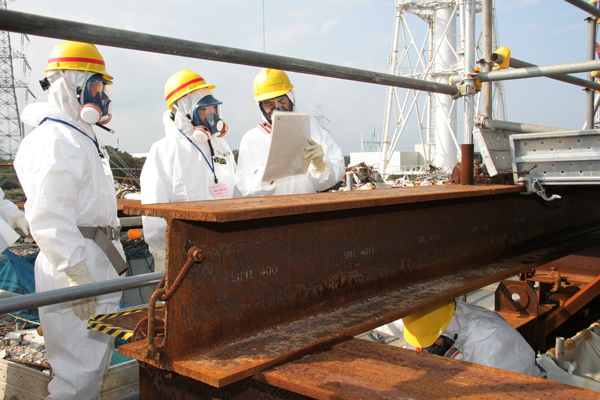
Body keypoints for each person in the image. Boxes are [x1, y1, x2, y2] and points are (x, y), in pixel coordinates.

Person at [14, 41, 124, 400]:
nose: (102, 96)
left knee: (92, 371)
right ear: (72, 86)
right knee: (76, 378)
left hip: (97, 261)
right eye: (96, 86)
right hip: (75, 267)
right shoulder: (54, 139)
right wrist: (77, 272)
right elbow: (48, 217)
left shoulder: (81, 135)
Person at [140, 69, 236, 271]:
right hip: (186, 256)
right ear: (184, 111)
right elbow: (154, 209)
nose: (211, 115)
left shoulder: (221, 146)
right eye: (204, 110)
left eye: (213, 109)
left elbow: (237, 194)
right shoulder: (164, 150)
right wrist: (160, 253)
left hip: (226, 247)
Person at [235, 68, 345, 196]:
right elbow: (246, 189)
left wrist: (321, 166)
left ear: (291, 99)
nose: (277, 107)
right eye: (269, 103)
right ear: (261, 106)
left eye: (282, 101)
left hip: (307, 209)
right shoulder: (252, 139)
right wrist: (267, 175)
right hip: (272, 214)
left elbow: (331, 178)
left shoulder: (313, 131)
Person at [392, 300, 543, 377]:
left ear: (449, 334)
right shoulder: (427, 319)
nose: (431, 348)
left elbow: (505, 390)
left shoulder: (488, 343)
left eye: (433, 342)